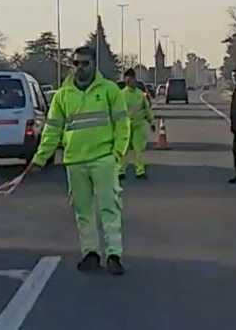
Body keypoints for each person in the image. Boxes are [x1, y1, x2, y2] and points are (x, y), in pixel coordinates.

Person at [28, 46, 131, 275]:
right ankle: (90, 253)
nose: (80, 68)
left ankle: (114, 254)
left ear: (94, 65)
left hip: (103, 159)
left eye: (85, 63)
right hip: (75, 161)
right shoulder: (63, 96)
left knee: (109, 208)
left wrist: (117, 153)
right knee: (83, 211)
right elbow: (52, 131)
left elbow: (123, 124)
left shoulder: (109, 90)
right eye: (76, 64)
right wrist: (39, 159)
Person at [118, 68, 155, 180]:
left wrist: (151, 121)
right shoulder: (121, 95)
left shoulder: (140, 95)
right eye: (127, 80)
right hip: (125, 126)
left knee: (139, 148)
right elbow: (116, 111)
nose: (130, 82)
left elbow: (147, 109)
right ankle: (120, 171)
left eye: (131, 79)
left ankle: (140, 171)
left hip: (139, 125)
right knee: (123, 149)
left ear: (134, 80)